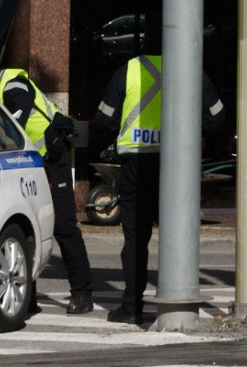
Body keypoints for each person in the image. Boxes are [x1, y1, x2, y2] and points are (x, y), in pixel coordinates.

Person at [96, 52, 226, 324]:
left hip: (137, 164)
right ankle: (178, 300)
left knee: (135, 241)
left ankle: (132, 307)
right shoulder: (189, 66)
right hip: (178, 166)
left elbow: (105, 118)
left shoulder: (129, 69)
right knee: (178, 237)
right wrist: (186, 129)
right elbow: (217, 117)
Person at [0, 68, 94, 315]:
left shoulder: (11, 84)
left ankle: (82, 294)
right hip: (29, 162)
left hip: (52, 158)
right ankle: (28, 298)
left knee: (64, 227)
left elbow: (16, 119)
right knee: (28, 227)